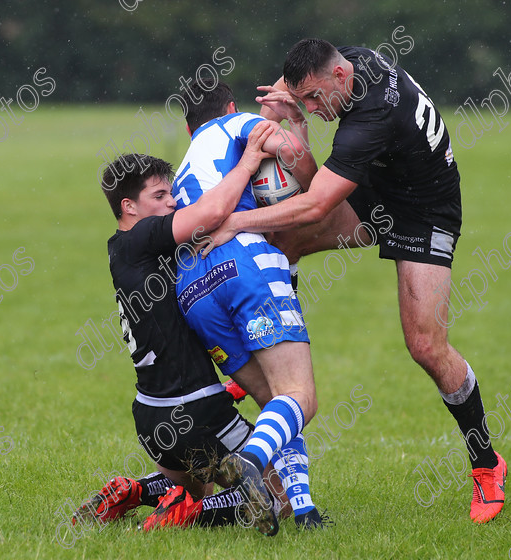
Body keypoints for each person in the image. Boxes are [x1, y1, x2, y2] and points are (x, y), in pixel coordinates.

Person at [206, 39, 507, 524]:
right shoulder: (348, 61)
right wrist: (283, 104)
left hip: (424, 212)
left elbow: (316, 200)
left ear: (341, 79)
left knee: (426, 347)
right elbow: (299, 81)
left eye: (315, 99)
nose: (313, 108)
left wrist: (236, 222)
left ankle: (488, 465)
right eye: (305, 99)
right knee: (284, 243)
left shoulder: (370, 119)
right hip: (380, 188)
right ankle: (272, 357)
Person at [75, 123, 292, 534]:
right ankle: (186, 516)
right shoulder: (141, 238)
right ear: (129, 207)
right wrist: (247, 162)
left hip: (151, 416)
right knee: (275, 497)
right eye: (159, 196)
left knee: (196, 484)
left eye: (171, 193)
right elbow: (211, 214)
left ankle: (135, 491)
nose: (173, 203)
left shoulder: (128, 253)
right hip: (194, 410)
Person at [170, 79, 327, 534]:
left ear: (187, 128)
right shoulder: (238, 122)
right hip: (244, 262)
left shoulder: (186, 163)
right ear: (232, 107)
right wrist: (299, 138)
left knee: (276, 405)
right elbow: (291, 154)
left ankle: (303, 510)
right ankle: (249, 464)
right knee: (300, 397)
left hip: (193, 288)